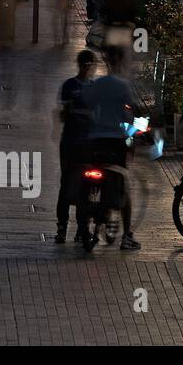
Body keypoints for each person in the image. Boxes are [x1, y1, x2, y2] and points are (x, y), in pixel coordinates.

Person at [79, 44, 144, 250]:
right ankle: (127, 235)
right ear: (121, 62)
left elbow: (86, 105)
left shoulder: (97, 84)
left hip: (95, 140)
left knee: (88, 175)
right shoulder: (123, 85)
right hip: (117, 140)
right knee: (124, 186)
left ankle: (82, 227)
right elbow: (134, 111)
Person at [54, 50, 97, 244]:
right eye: (85, 65)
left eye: (90, 65)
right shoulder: (70, 86)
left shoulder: (95, 89)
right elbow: (63, 113)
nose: (88, 69)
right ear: (79, 65)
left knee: (87, 186)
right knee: (67, 184)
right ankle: (63, 227)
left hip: (88, 144)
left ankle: (82, 228)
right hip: (71, 143)